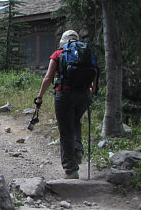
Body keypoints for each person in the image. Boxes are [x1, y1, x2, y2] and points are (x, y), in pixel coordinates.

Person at [34, 30, 98, 179]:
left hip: (64, 94)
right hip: (83, 95)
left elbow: (48, 77)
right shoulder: (86, 53)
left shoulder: (58, 54)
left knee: (65, 131)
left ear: (63, 41)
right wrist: (90, 91)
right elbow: (95, 75)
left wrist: (40, 96)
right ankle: (77, 150)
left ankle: (71, 170)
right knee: (76, 123)